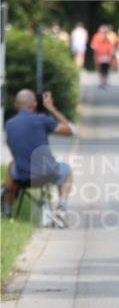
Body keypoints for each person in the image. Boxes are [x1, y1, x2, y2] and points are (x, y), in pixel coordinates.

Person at [3, 89, 74, 219]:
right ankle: (62, 206)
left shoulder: (9, 124)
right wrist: (51, 108)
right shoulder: (42, 120)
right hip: (47, 174)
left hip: (22, 177)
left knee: (11, 165)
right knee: (67, 170)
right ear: (35, 104)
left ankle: (7, 210)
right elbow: (68, 130)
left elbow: (13, 149)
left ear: (16, 105)